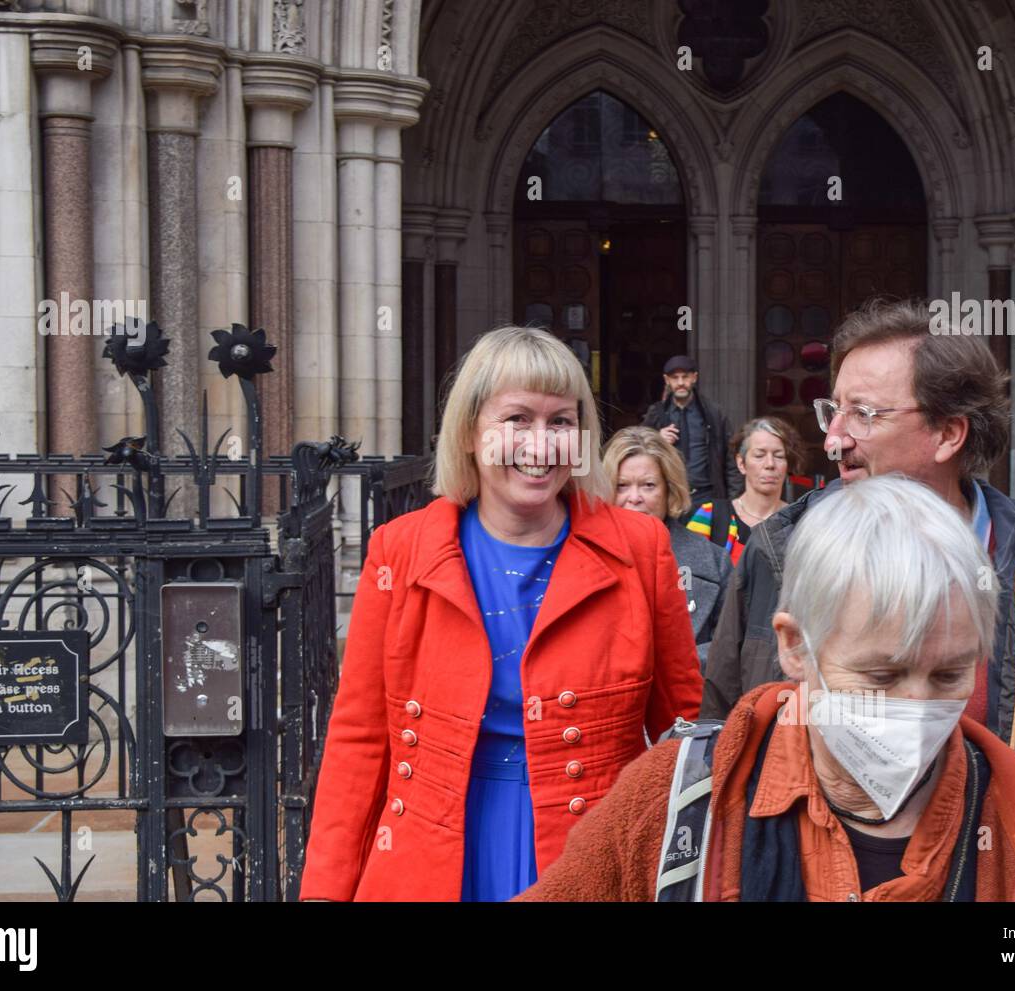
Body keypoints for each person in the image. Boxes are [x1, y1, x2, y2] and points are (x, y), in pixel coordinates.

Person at [516, 476, 1015, 902]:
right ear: (793, 646)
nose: (917, 707)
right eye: (881, 675)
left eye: (949, 674)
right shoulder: (676, 800)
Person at [700, 297, 1015, 885]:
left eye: (864, 415)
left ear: (949, 433)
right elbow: (726, 732)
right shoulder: (779, 552)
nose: (833, 439)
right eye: (833, 410)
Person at [299, 325, 702, 902]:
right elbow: (359, 741)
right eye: (516, 420)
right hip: (434, 860)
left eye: (561, 422)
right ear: (469, 432)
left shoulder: (640, 548)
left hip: (593, 856)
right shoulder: (400, 550)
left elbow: (680, 737)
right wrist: (324, 892)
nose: (540, 447)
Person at [604, 426, 732, 672]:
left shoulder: (714, 562)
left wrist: (671, 667)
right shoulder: (581, 559)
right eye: (622, 485)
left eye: (648, 485)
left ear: (669, 490)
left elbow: (731, 646)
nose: (634, 497)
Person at [687, 416, 804, 564]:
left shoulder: (800, 522)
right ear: (741, 463)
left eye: (779, 456)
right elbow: (689, 578)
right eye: (759, 455)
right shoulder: (709, 516)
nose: (770, 464)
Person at [642, 355, 743, 507]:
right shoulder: (656, 413)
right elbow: (638, 451)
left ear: (694, 378)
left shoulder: (713, 413)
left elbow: (731, 457)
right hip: (669, 495)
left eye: (685, 377)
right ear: (667, 380)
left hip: (707, 496)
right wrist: (657, 439)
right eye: (675, 378)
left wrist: (734, 500)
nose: (681, 382)